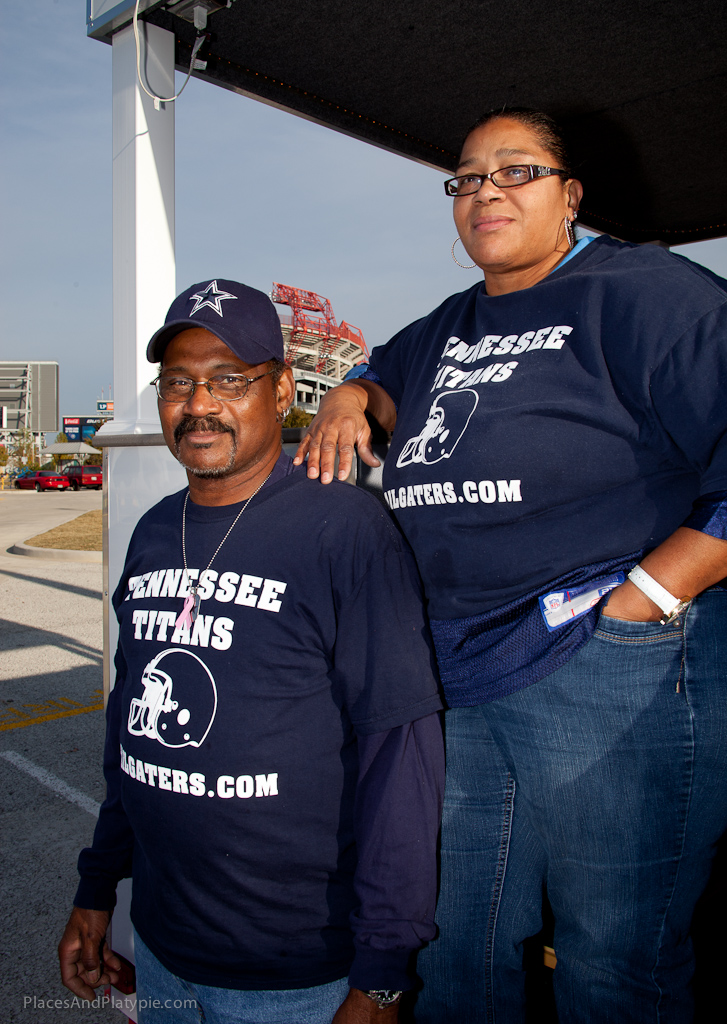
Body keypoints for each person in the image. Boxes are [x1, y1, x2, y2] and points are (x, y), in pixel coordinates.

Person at [294, 109, 727, 1022]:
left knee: (613, 962)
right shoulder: (448, 324)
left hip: (603, 661)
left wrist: (646, 598)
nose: (484, 189)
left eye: (515, 170)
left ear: (569, 196)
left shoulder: (648, 292)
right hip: (453, 669)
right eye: (465, 177)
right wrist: (347, 394)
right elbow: (382, 377)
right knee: (453, 941)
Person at [58, 279, 444, 1024]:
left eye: (230, 380)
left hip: (300, 978)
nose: (199, 404)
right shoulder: (151, 531)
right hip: (165, 955)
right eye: (178, 382)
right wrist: (96, 888)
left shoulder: (342, 530)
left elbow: (401, 755)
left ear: (282, 390)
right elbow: (128, 733)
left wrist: (384, 974)